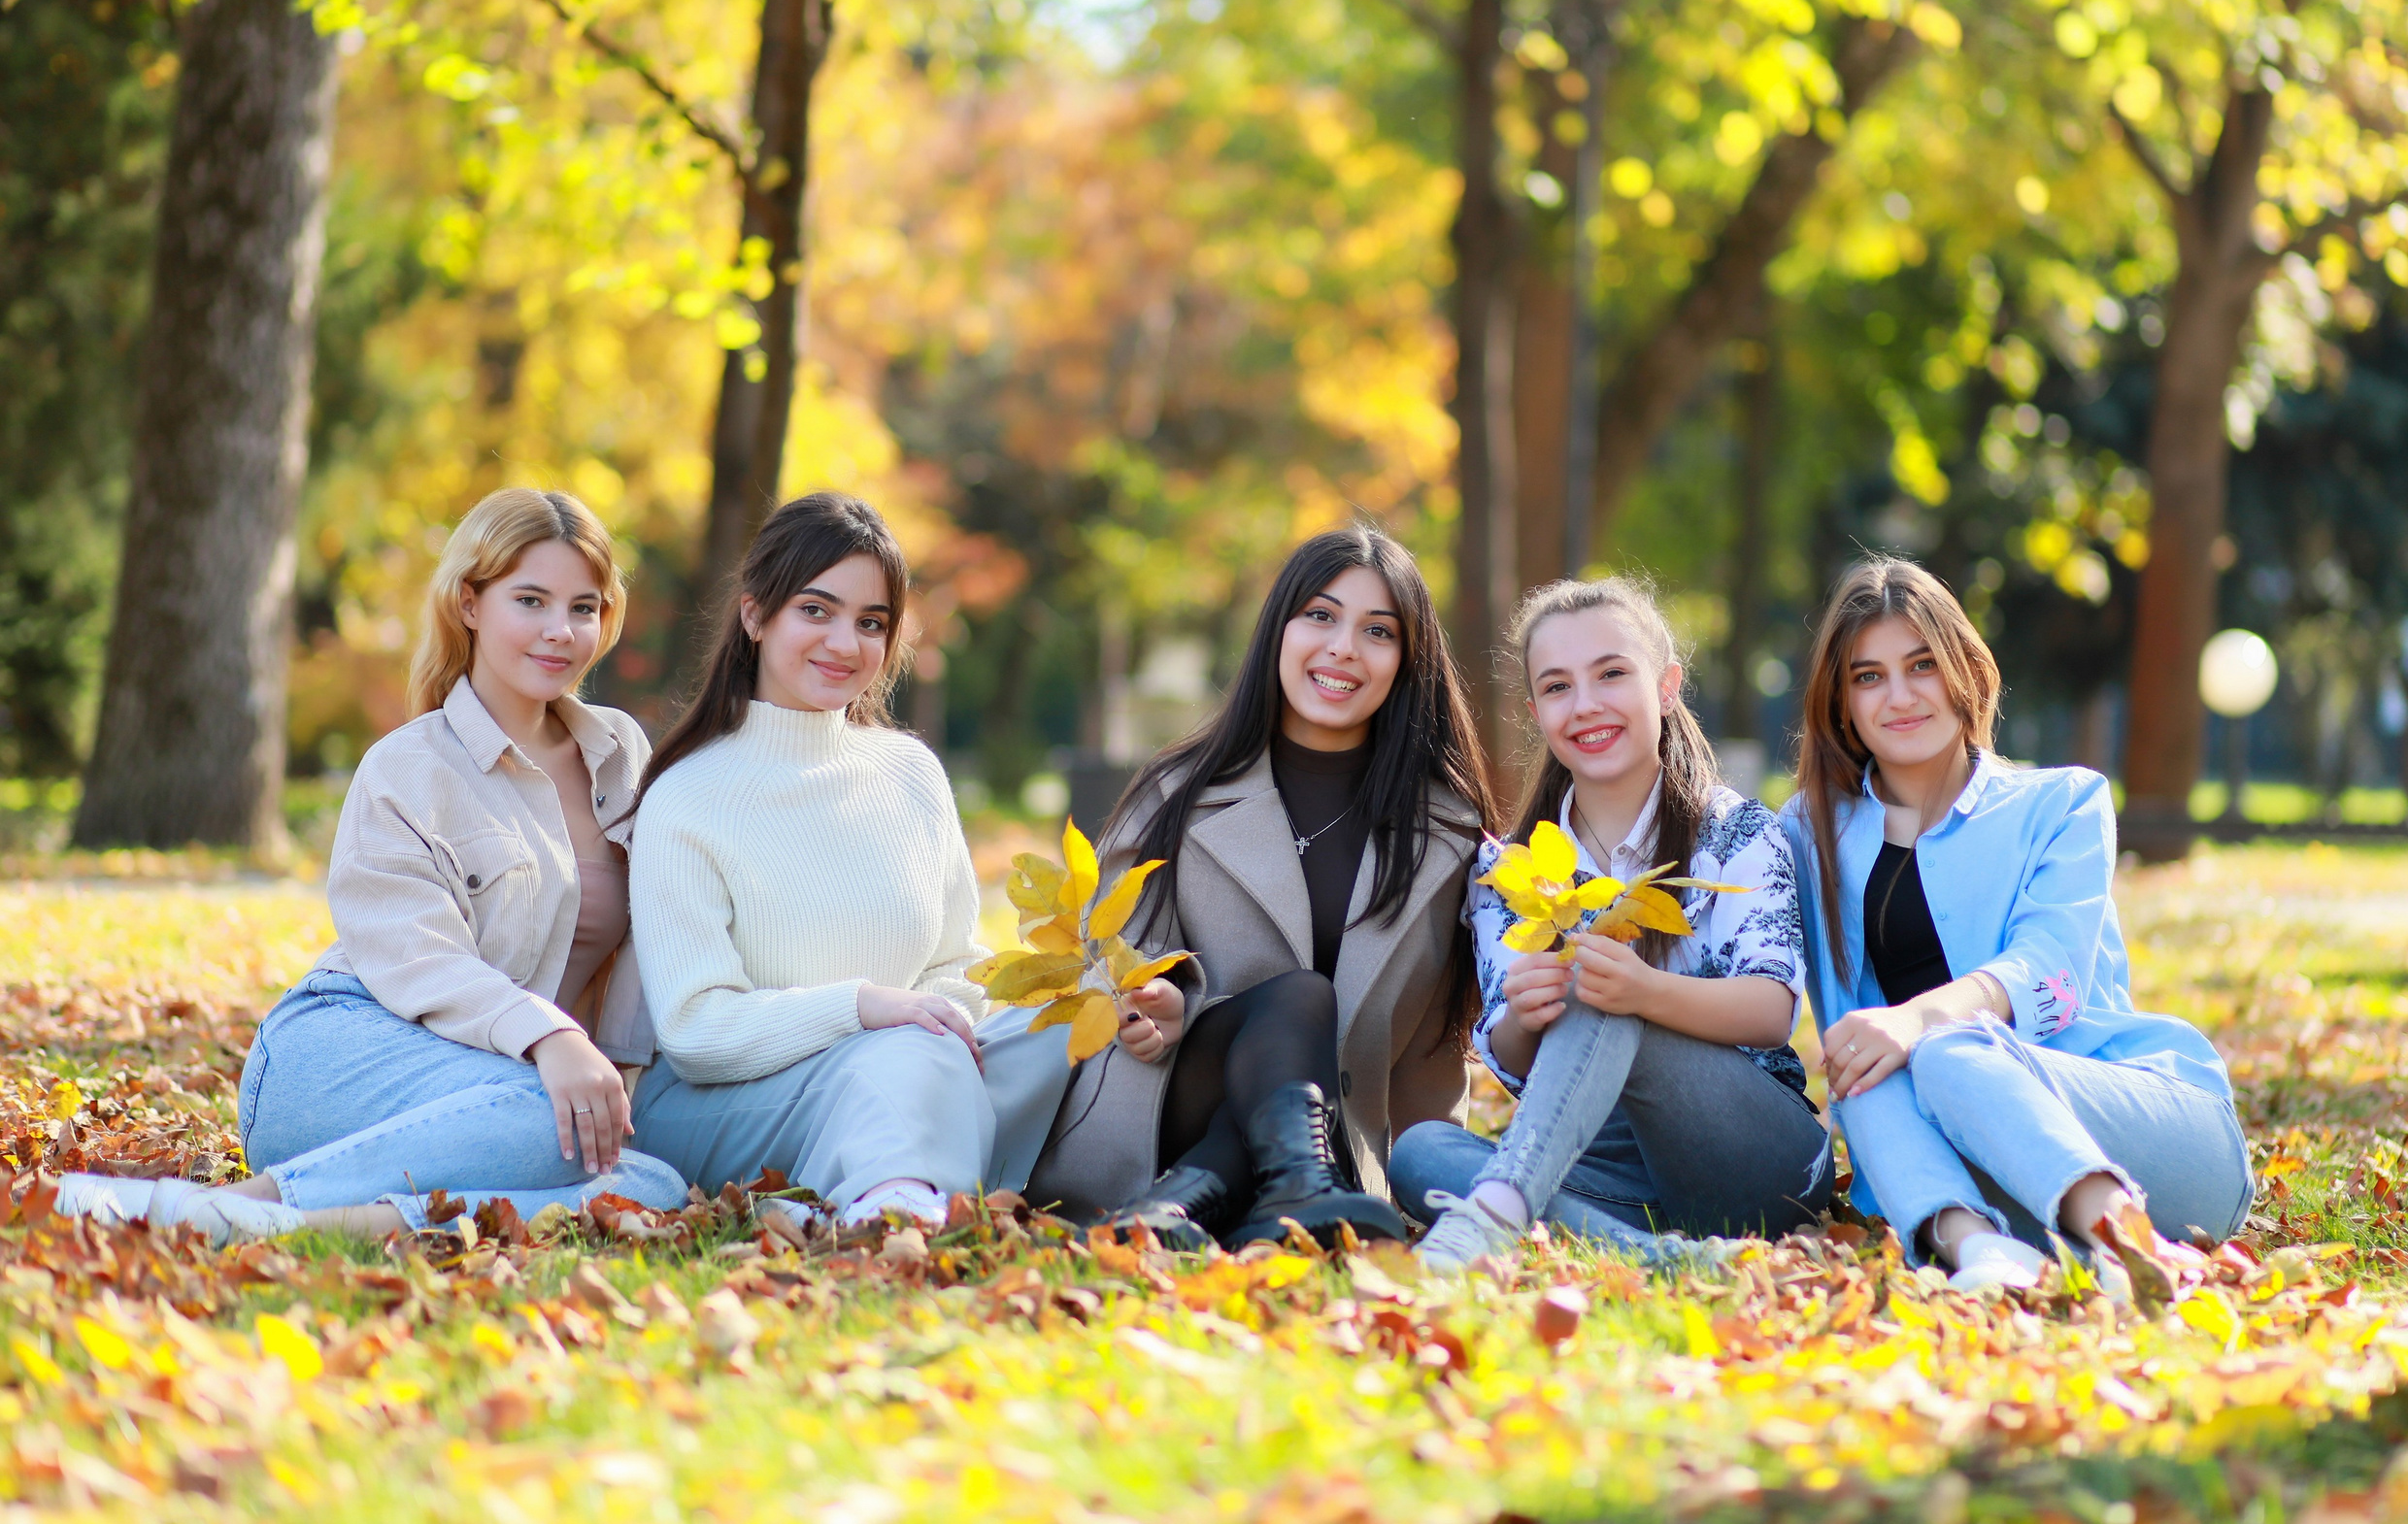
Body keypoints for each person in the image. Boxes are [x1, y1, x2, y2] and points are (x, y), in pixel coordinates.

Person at [60, 488, 687, 1242]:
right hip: (338, 1055)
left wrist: (610, 1070)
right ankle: (260, 1195)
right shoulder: (407, 767)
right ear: (470, 603)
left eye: (584, 608)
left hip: (497, 1090)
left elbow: (644, 947)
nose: (561, 631)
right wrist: (552, 1038)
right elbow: (416, 958)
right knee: (548, 1121)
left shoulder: (621, 755)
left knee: (649, 1181)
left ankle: (302, 1225)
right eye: (532, 600)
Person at [1018, 527, 1498, 1250]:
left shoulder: (1448, 832)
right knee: (1301, 995)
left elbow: (1433, 1045)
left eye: (1378, 631)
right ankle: (1293, 1191)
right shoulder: (1179, 793)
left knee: (1305, 1024)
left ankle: (1190, 1209)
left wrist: (1430, 1185)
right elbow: (1105, 963)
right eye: (1320, 616)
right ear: (1279, 629)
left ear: (1407, 662)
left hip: (1337, 1141)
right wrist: (1162, 1003)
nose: (1342, 648)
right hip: (1162, 1110)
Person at [1781, 556, 2251, 1292]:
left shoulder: (2061, 804)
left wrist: (1914, 1022)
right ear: (1841, 703)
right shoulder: (1810, 837)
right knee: (1859, 1066)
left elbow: (2049, 970)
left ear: (1964, 669)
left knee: (1938, 1050)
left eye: (1922, 666)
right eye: (1868, 676)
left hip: (2149, 1142)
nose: (1899, 696)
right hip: (1962, 1178)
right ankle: (1980, 1253)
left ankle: (2126, 1237)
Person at [1390, 577, 1830, 1273]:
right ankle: (1653, 1259)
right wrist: (1526, 1016)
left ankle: (1500, 1208)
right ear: (1536, 710)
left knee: (1599, 981)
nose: (1586, 704)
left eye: (1612, 674)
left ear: (1666, 686)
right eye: (1559, 687)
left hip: (1748, 1156)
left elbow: (1771, 1011)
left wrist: (1640, 990)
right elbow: (1512, 1053)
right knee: (1420, 1153)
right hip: (1601, 1168)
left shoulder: (1738, 832)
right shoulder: (1511, 870)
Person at [626, 492, 992, 1230]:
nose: (844, 643)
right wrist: (863, 1007)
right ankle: (895, 1214)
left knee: (1080, 1040)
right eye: (815, 611)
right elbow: (696, 1031)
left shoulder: (910, 773)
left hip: (910, 1070)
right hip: (724, 1107)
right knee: (901, 1056)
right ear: (756, 617)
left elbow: (959, 969)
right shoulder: (687, 795)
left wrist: (944, 1021)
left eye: (871, 623)